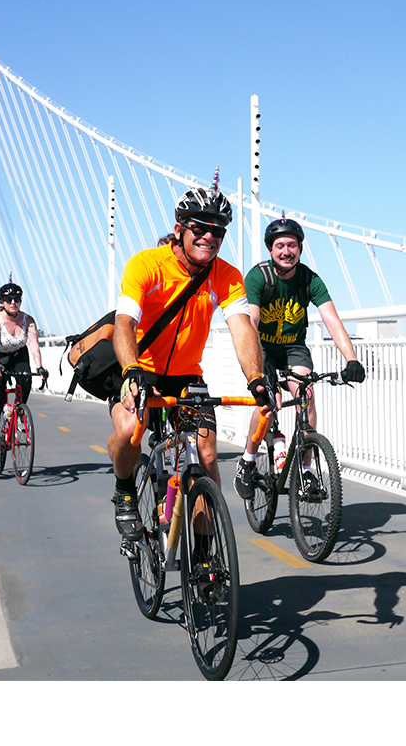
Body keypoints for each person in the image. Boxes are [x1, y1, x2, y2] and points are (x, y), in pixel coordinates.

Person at [109, 181, 274, 541]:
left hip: (187, 378)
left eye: (218, 231)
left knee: (206, 456)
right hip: (141, 371)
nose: (209, 237)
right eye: (199, 228)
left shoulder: (226, 275)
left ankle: (205, 550)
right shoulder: (146, 265)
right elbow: (124, 323)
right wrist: (132, 372)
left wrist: (256, 377)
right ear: (179, 228)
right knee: (127, 430)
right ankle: (124, 490)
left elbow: (242, 327)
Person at [233, 214, 366, 498]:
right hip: (262, 349)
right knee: (268, 405)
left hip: (294, 348)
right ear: (270, 250)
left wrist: (351, 359)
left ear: (300, 248)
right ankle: (247, 460)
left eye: (292, 245)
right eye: (280, 246)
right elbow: (251, 323)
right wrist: (258, 367)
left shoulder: (309, 279)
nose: (286, 251)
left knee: (307, 395)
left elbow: (332, 320)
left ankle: (305, 471)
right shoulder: (258, 277)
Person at [0, 280, 48, 467]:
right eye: (9, 299)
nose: (13, 302)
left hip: (18, 355)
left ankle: (18, 413)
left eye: (17, 299)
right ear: (2, 302)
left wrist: (40, 367)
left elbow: (34, 345)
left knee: (25, 378)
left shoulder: (28, 320)